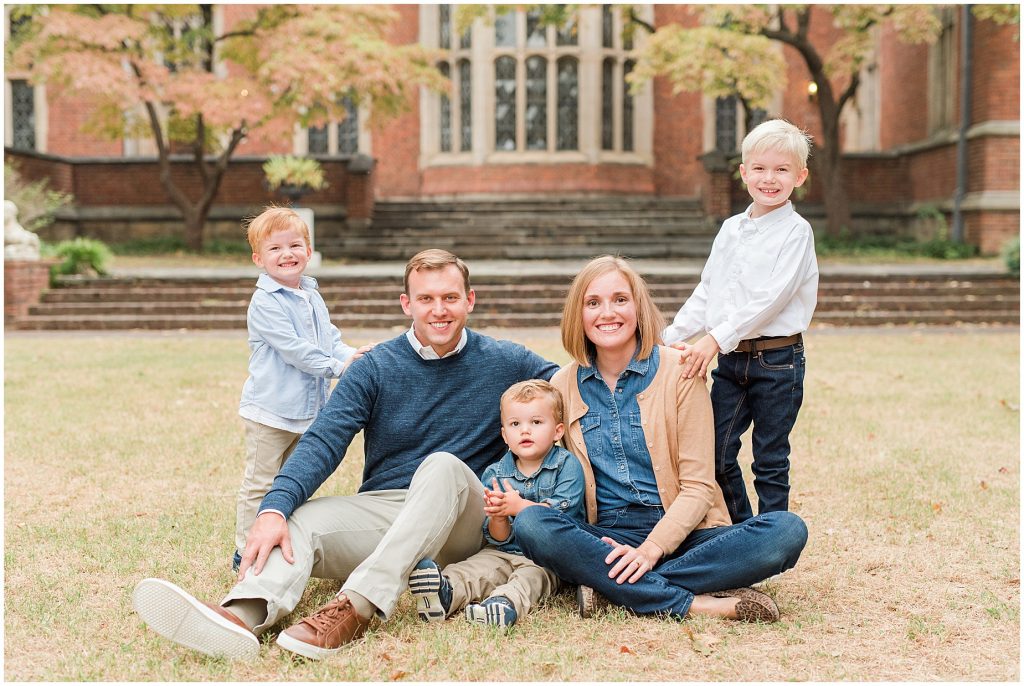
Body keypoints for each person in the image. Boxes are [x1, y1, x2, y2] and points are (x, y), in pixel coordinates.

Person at [132, 249, 559, 661]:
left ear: (469, 300)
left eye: (449, 297)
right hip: (391, 509)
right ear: (406, 304)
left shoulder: (506, 359)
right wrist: (274, 509)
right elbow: (324, 440)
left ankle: (357, 605)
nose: (439, 310)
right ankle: (241, 616)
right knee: (298, 521)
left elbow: (571, 389)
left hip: (468, 519)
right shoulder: (374, 366)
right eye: (426, 299)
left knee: (442, 465)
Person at [512, 255, 808, 624]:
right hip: (607, 537)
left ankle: (612, 589)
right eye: (593, 303)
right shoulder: (562, 385)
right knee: (532, 524)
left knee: (786, 531)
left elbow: (699, 487)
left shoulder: (681, 371)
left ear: (638, 307)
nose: (608, 313)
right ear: (579, 314)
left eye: (621, 299)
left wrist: (652, 549)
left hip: (688, 534)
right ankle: (693, 601)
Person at [662, 119, 818, 524]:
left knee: (769, 458)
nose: (770, 179)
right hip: (732, 363)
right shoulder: (730, 229)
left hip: (777, 362)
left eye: (782, 170)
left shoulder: (796, 233)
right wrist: (669, 336)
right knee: (714, 453)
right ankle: (745, 530)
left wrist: (714, 338)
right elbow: (709, 290)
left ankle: (773, 538)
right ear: (744, 172)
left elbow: (771, 300)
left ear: (799, 176)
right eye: (760, 169)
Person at [233, 206, 371, 571]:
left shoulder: (311, 295)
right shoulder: (265, 302)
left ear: (308, 252)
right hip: (271, 411)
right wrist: (338, 366)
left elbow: (329, 339)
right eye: (275, 249)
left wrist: (353, 356)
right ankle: (245, 548)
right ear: (258, 258)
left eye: (295, 245)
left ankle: (282, 538)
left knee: (296, 479)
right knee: (260, 483)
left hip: (308, 412)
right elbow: (296, 351)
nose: (286, 254)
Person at [408, 379, 584, 631]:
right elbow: (498, 537)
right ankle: (444, 592)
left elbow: (560, 519)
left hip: (546, 558)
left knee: (529, 579)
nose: (525, 431)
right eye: (515, 424)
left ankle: (503, 603)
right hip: (502, 551)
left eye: (536, 422)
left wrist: (518, 506)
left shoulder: (567, 466)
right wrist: (499, 518)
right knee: (476, 567)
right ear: (504, 434)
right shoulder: (495, 473)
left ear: (557, 431)